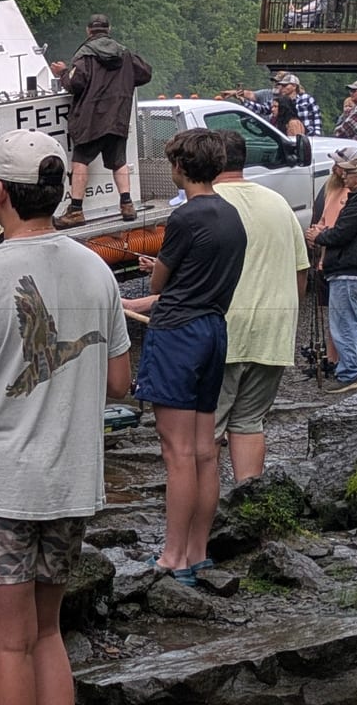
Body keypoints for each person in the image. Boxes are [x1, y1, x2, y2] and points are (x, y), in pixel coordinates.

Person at [0, 129, 131, 705]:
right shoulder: (96, 268)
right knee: (48, 634)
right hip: (70, 485)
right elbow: (119, 382)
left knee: (8, 646)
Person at [122, 128, 246, 585]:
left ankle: (172, 556)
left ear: (179, 167)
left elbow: (161, 287)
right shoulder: (231, 215)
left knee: (176, 454)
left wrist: (148, 284)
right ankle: (197, 552)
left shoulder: (186, 218)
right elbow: (194, 283)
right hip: (214, 330)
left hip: (176, 336)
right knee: (204, 452)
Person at [211, 131, 309, 482]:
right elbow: (301, 273)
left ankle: (200, 519)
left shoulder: (205, 204)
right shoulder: (278, 202)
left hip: (222, 331)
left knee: (209, 427)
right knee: (249, 421)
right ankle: (247, 505)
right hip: (274, 332)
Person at [49, 13, 153, 228]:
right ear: (109, 29)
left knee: (80, 161)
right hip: (118, 116)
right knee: (119, 161)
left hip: (91, 119)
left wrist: (62, 73)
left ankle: (76, 210)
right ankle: (127, 205)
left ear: (89, 31)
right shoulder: (124, 52)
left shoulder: (85, 54)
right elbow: (145, 74)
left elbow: (75, 83)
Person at [305, 154, 357, 392]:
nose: (344, 176)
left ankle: (350, 373)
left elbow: (341, 234)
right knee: (351, 321)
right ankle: (355, 366)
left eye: (349, 173)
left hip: (348, 269)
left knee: (343, 323)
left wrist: (318, 236)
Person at [236, 73, 322, 136]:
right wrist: (244, 101)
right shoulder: (278, 100)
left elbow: (317, 118)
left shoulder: (307, 99)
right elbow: (262, 109)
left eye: (285, 85)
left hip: (309, 138)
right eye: (281, 85)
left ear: (294, 86)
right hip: (286, 135)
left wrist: (316, 137)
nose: (282, 88)